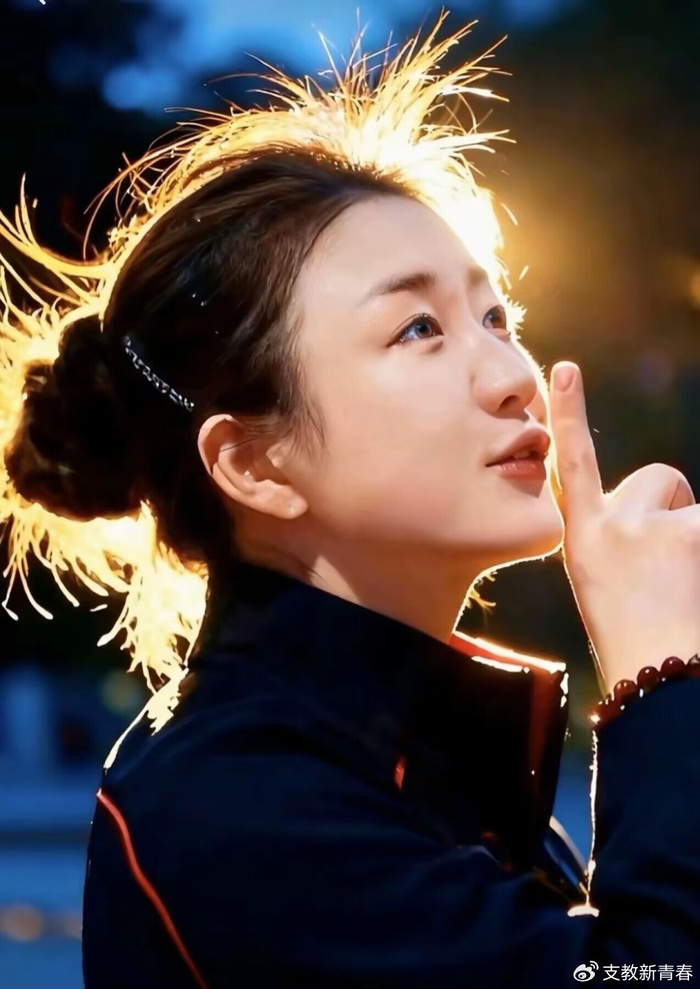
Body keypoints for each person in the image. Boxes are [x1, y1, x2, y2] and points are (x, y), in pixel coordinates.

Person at [1, 12, 699, 989]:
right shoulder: (238, 807)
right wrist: (661, 672)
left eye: (496, 315)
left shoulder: (410, 750)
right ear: (255, 463)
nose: (512, 376)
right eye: (418, 328)